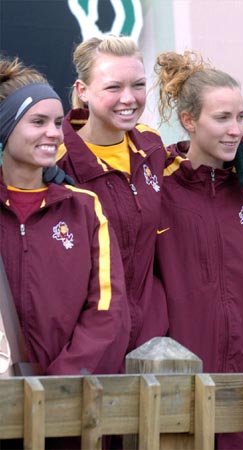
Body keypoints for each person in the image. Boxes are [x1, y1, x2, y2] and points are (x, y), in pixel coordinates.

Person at [153, 50, 243, 449]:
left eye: (241, 117)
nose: (236, 130)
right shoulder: (158, 184)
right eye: (222, 118)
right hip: (177, 382)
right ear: (188, 120)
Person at [0, 56, 129, 375]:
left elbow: (106, 309)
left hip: (68, 403)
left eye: (57, 123)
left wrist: (61, 384)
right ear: (6, 127)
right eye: (38, 122)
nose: (53, 133)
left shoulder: (84, 208)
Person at [56, 35, 169, 353]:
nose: (129, 98)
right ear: (83, 91)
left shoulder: (152, 147)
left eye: (137, 85)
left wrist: (238, 150)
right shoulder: (54, 163)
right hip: (83, 352)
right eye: (113, 87)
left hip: (150, 345)